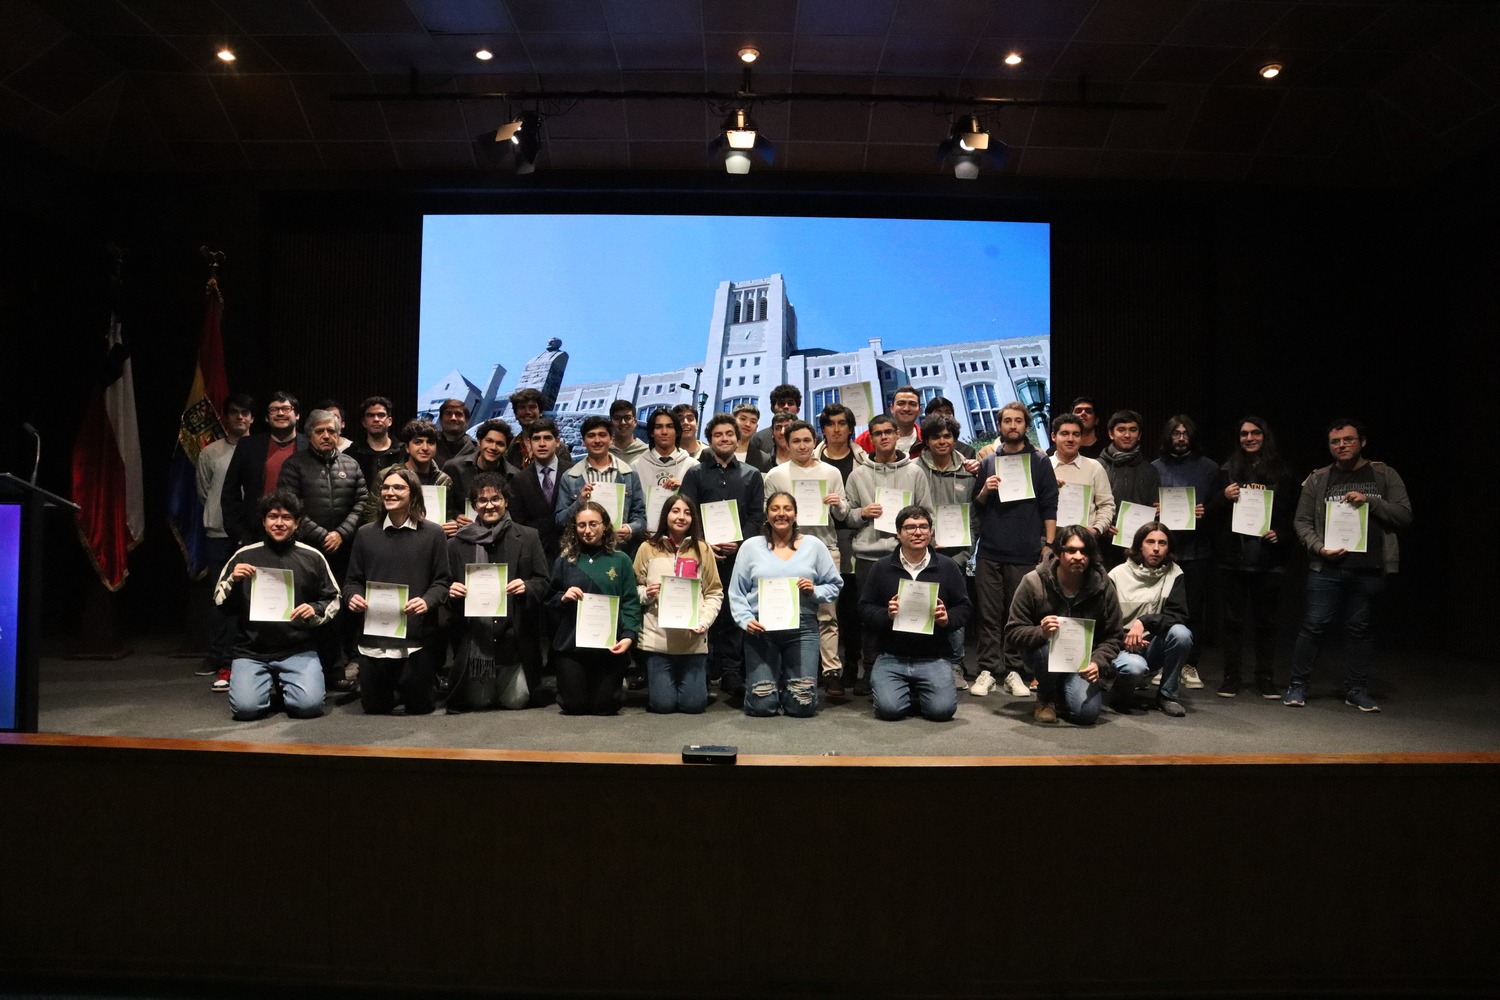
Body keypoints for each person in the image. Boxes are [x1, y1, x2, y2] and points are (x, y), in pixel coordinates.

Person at [1286, 419, 1412, 712]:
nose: (1341, 445)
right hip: (1326, 567)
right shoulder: (1318, 478)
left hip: (1368, 567)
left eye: (1348, 440)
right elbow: (1301, 521)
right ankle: (1298, 685)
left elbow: (1404, 515)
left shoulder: (1384, 474)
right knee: (1314, 625)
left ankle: (1356, 689)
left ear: (1362, 442)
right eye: (1335, 441)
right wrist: (1319, 548)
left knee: (1359, 629)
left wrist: (1370, 501)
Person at [213, 490, 340, 721]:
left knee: (308, 707)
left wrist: (315, 610)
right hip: (251, 651)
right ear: (264, 521)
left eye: (286, 517)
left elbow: (333, 599)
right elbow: (220, 602)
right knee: (246, 710)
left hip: (298, 649)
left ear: (297, 523)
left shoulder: (313, 557)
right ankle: (264, 686)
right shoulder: (243, 556)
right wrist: (233, 580)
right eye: (273, 517)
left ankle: (285, 687)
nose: (279, 523)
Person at [343, 466, 451, 715]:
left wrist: (426, 601)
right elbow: (352, 581)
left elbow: (442, 582)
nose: (390, 492)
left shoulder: (433, 534)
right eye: (386, 487)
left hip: (415, 638)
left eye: (398, 487)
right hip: (376, 635)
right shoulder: (365, 534)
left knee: (420, 708)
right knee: (375, 708)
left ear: (413, 493)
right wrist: (353, 597)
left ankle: (421, 682)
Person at [969, 401, 1058, 700]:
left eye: (1018, 420)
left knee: (1016, 616)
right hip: (990, 550)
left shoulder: (1039, 461)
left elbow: (1049, 503)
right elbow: (977, 505)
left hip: (1024, 550)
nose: (1012, 425)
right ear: (1000, 426)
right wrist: (985, 490)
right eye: (1007, 420)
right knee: (988, 614)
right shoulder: (988, 462)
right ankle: (987, 669)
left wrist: (1049, 544)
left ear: (1025, 425)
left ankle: (1014, 670)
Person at [841, 413, 933, 695]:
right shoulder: (858, 475)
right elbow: (847, 516)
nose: (884, 437)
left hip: (904, 555)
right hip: (868, 556)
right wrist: (862, 512)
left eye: (888, 432)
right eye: (878, 433)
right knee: (871, 617)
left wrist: (910, 532)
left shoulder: (915, 472)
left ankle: (909, 667)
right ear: (871, 438)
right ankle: (870, 669)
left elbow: (927, 512)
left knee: (905, 612)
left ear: (896, 435)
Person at [275, 408, 367, 688]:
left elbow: (362, 502)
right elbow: (289, 505)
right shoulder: (294, 465)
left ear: (339, 434)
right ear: (309, 434)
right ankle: (311, 670)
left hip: (345, 550)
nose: (327, 436)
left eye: (332, 431)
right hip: (306, 552)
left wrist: (341, 533)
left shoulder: (351, 464)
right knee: (311, 610)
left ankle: (342, 667)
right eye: (320, 431)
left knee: (345, 610)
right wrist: (321, 535)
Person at [728, 491, 841, 717]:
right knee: (762, 706)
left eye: (787, 509)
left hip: (802, 629)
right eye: (775, 508)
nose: (781, 513)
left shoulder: (814, 546)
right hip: (761, 630)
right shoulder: (750, 547)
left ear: (795, 515)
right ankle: (769, 690)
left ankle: (788, 688)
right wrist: (746, 620)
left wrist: (814, 591)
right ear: (767, 514)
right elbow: (737, 591)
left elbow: (834, 585)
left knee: (802, 706)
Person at [443, 473, 549, 713]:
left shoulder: (528, 536)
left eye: (496, 499)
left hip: (515, 636)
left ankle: (509, 677)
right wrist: (451, 591)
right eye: (482, 500)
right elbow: (444, 586)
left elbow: (544, 581)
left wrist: (527, 586)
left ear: (506, 501)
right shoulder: (456, 544)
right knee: (480, 702)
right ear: (474, 505)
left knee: (516, 701)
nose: (489, 505)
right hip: (476, 638)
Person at [1209, 416, 1296, 700]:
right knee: (1232, 622)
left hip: (1268, 558)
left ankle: (1265, 678)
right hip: (1232, 558)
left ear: (1265, 436)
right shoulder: (1227, 470)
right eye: (1244, 434)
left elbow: (1294, 513)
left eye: (1255, 433)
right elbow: (1209, 513)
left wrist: (1281, 533)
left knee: (1266, 622)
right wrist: (1223, 496)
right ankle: (1231, 677)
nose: (1249, 438)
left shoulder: (1282, 471)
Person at [680, 412, 765, 699]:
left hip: (737, 556)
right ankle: (702, 671)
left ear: (737, 438)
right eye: (718, 435)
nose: (724, 439)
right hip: (702, 555)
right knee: (702, 612)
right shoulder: (695, 474)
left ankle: (731, 672)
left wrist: (740, 543)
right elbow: (687, 512)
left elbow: (756, 516)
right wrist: (704, 544)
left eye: (729, 434)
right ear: (710, 440)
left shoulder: (752, 475)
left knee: (731, 613)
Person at [860, 504, 971, 722]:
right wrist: (887, 615)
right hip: (891, 657)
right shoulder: (881, 567)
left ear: (931, 532)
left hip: (933, 657)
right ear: (898, 533)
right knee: (889, 710)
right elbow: (864, 608)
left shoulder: (947, 566)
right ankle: (909, 691)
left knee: (941, 711)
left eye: (923, 527)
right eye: (910, 527)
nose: (918, 532)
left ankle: (915, 692)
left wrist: (947, 619)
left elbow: (964, 607)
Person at [1006, 526, 1124, 726]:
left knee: (1086, 715)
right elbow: (1012, 631)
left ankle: (1062, 691)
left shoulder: (1103, 586)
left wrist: (1097, 662)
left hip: (1083, 661)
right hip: (1043, 655)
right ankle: (1046, 697)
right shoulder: (1033, 582)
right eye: (1071, 550)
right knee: (1046, 647)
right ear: (1058, 553)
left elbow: (1114, 635)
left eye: (1084, 551)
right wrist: (1041, 632)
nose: (1078, 556)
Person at [765, 419, 850, 688]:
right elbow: (767, 514)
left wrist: (837, 504)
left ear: (815, 442)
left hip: (825, 547)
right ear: (786, 444)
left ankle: (831, 670)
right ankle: (792, 669)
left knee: (828, 614)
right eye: (796, 441)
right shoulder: (775, 475)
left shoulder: (831, 472)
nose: (802, 446)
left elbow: (843, 515)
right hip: (787, 549)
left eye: (806, 440)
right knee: (789, 610)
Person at [547, 501, 641, 716]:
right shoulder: (565, 560)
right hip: (571, 646)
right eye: (581, 525)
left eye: (593, 524)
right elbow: (549, 599)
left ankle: (616, 684)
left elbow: (630, 601)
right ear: (575, 528)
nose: (587, 530)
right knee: (574, 705)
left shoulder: (621, 560)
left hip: (609, 646)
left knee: (604, 706)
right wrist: (563, 597)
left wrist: (629, 635)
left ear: (605, 526)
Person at [633, 494, 723, 714]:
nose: (681, 517)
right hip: (657, 641)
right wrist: (646, 593)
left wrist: (703, 622)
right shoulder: (647, 548)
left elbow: (714, 592)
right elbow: (633, 589)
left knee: (693, 706)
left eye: (687, 512)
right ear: (666, 514)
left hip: (692, 640)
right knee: (663, 705)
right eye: (675, 511)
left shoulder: (703, 549)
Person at [913, 414, 978, 689]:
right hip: (919, 555)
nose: (942, 441)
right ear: (926, 441)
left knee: (953, 613)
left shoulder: (968, 473)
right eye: (936, 436)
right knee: (920, 607)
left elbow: (973, 520)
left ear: (954, 439)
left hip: (956, 557)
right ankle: (920, 662)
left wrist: (964, 555)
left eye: (947, 436)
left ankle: (955, 665)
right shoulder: (914, 470)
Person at [1151, 415, 1217, 685]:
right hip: (1161, 552)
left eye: (1185, 433)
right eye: (1175, 433)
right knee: (1160, 607)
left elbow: (1220, 510)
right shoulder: (1154, 468)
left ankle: (1190, 664)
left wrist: (1206, 511)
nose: (1180, 438)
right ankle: (1159, 662)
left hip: (1197, 550)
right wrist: (1154, 510)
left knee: (1194, 609)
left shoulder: (1209, 468)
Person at [195, 392, 254, 683]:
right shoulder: (210, 453)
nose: (240, 417)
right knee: (220, 597)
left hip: (252, 534)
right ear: (225, 417)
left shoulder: (260, 449)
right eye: (234, 412)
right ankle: (218, 655)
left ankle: (245, 656)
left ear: (252, 418)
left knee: (252, 598)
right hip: (219, 533)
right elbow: (205, 492)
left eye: (245, 413)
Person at [1107, 522, 1192, 717]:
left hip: (1152, 645)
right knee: (1134, 667)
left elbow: (1178, 615)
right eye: (1150, 542)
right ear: (1139, 545)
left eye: (1162, 543)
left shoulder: (1175, 573)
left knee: (1181, 634)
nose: (1156, 548)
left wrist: (1143, 621)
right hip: (1121, 646)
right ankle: (1119, 690)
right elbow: (1104, 621)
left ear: (1168, 548)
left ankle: (1167, 696)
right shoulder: (1117, 574)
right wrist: (1126, 640)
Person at [815, 402, 867, 697]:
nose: (836, 429)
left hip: (853, 538)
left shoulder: (862, 460)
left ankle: (851, 665)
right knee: (823, 608)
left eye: (842, 423)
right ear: (823, 429)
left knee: (849, 607)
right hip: (820, 539)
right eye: (830, 424)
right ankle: (822, 666)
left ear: (850, 428)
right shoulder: (812, 459)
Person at [220, 391, 307, 549]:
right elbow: (229, 493)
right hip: (254, 536)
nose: (280, 413)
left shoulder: (309, 446)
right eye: (274, 409)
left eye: (286, 409)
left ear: (297, 415)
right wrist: (240, 535)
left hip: (301, 536)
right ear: (267, 418)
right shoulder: (247, 446)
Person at [555, 414, 648, 551]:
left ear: (611, 439)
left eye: (602, 435)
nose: (597, 440)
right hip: (581, 552)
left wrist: (630, 529)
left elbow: (640, 516)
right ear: (583, 441)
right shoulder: (570, 477)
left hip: (618, 550)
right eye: (591, 436)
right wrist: (579, 502)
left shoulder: (629, 474)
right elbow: (560, 521)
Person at [1098, 409, 1160, 568]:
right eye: (1121, 430)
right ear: (1111, 434)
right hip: (1102, 547)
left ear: (1139, 435)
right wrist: (1102, 525)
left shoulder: (1150, 470)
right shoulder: (1097, 466)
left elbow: (1154, 506)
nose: (1127, 435)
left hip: (1139, 548)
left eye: (1133, 430)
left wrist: (1159, 510)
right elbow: (1089, 507)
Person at [443, 418, 520, 529]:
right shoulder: (454, 468)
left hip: (501, 532)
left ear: (506, 448)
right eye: (489, 441)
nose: (493, 447)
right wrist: (455, 516)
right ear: (479, 442)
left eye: (500, 444)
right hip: (461, 532)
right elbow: (443, 505)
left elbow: (516, 513)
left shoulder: (515, 476)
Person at [509, 418, 566, 564]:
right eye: (536, 439)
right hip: (535, 556)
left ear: (557, 442)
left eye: (547, 438)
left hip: (570, 553)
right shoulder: (519, 480)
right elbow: (518, 524)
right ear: (529, 443)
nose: (541, 444)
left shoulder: (572, 472)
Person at [1049, 412, 1116, 537]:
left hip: (1084, 540)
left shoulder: (1094, 467)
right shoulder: (1044, 466)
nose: (1070, 439)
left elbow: (1106, 505)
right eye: (1064, 433)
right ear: (1054, 436)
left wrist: (1096, 529)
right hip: (1048, 539)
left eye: (1076, 434)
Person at [633, 408, 695, 503]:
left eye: (669, 426)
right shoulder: (636, 467)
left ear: (677, 432)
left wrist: (684, 490)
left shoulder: (692, 467)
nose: (664, 432)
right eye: (658, 427)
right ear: (651, 432)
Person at [346, 396, 400, 487]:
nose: (376, 419)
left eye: (381, 415)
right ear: (364, 422)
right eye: (370, 415)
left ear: (390, 421)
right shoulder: (351, 454)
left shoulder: (403, 452)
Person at [745, 383, 801, 470]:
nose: (786, 407)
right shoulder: (758, 439)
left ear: (798, 409)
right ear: (772, 408)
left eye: (790, 403)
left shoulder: (811, 437)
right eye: (781, 403)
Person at [855, 385, 922, 456]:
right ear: (892, 408)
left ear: (919, 410)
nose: (906, 408)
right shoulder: (865, 440)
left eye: (912, 404)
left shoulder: (926, 439)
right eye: (901, 403)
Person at [433, 398, 478, 469]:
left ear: (466, 421)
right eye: (448, 414)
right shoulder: (429, 443)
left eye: (458, 414)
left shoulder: (477, 450)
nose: (453, 418)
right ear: (440, 420)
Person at [608, 399, 648, 464]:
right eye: (617, 418)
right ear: (610, 422)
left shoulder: (646, 453)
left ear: (635, 422)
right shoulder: (602, 451)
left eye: (627, 418)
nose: (623, 422)